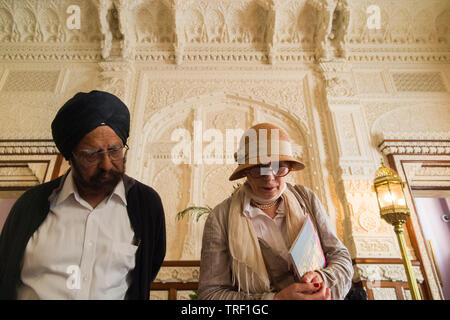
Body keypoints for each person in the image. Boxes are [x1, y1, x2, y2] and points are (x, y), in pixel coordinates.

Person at [0, 90, 166, 300]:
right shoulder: (31, 204)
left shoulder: (145, 205)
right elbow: (5, 270)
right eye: (91, 154)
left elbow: (147, 268)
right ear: (71, 155)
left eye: (115, 150)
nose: (106, 164)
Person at [198, 123, 353, 300]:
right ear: (246, 171)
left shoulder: (307, 199)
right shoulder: (220, 218)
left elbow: (340, 258)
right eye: (259, 168)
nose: (269, 177)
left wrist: (322, 278)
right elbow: (210, 295)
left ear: (289, 167)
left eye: (278, 167)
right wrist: (275, 300)